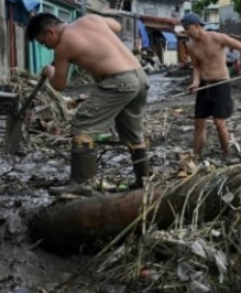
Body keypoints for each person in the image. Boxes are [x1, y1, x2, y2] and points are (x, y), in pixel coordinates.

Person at [26, 12, 151, 192]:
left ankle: (80, 184)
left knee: (82, 127)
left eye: (43, 43)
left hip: (119, 81)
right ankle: (143, 182)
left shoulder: (63, 46)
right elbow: (117, 26)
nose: (46, 47)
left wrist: (49, 70)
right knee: (133, 134)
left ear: (51, 32)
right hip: (139, 77)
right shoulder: (90, 19)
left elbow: (59, 85)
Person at [181, 13, 241, 159]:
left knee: (219, 122)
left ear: (197, 26)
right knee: (199, 122)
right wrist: (195, 82)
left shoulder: (217, 38)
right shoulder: (190, 45)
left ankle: (227, 154)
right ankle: (196, 156)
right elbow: (196, 67)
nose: (186, 32)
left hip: (220, 84)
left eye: (187, 28)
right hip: (204, 85)